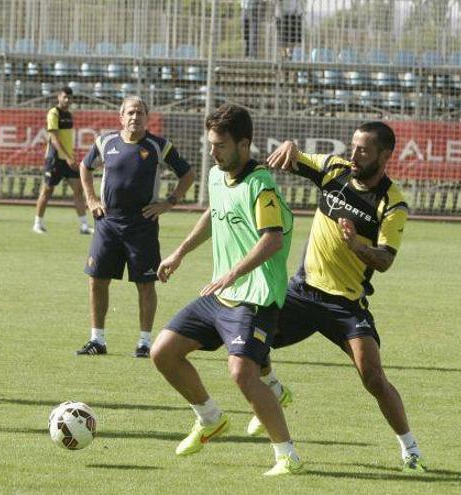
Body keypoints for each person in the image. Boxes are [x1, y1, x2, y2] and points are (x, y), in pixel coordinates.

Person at [247, 121, 426, 473]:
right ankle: (274, 387)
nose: (354, 155)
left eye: (364, 150)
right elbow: (292, 158)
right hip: (303, 291)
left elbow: (386, 259)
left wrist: (355, 244)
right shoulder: (334, 169)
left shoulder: (393, 203)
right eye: (353, 146)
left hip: (344, 304)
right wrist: (289, 142)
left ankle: (411, 450)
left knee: (373, 377)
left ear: (385, 156)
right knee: (251, 339)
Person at [151, 103, 304, 476]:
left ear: (244, 144)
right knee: (163, 352)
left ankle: (287, 455)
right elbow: (213, 213)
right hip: (220, 293)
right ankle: (209, 418)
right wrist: (180, 252)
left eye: (219, 145)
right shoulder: (218, 176)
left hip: (254, 296)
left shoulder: (261, 185)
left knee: (241, 373)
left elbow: (271, 240)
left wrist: (232, 273)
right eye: (210, 144)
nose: (212, 152)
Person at [76, 96, 195, 358]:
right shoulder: (106, 141)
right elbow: (84, 167)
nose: (135, 117)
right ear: (121, 117)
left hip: (143, 224)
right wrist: (92, 199)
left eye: (140, 113)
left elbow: (187, 174)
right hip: (107, 222)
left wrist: (168, 203)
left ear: (147, 118)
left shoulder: (158, 146)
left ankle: (144, 342)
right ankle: (97, 340)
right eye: (130, 112)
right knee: (97, 280)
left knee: (145, 284)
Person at [33, 86, 92, 235]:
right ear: (59, 97)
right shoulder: (54, 113)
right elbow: (54, 139)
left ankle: (84, 226)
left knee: (78, 190)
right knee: (47, 190)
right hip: (54, 159)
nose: (67, 100)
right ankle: (37, 224)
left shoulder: (69, 115)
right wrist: (67, 157)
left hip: (67, 160)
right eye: (64, 97)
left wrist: (70, 157)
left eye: (69, 98)